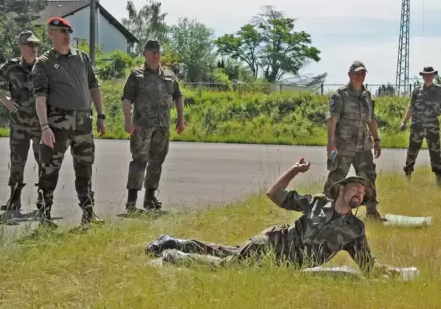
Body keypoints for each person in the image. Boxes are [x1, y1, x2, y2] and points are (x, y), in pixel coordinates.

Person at [145, 158, 399, 277]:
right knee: (227, 268)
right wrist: (294, 170)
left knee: (225, 252)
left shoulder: (355, 229)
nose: (360, 192)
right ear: (342, 189)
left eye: (363, 192)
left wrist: (394, 272)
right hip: (271, 245)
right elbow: (274, 193)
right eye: (355, 187)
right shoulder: (317, 202)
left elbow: (368, 266)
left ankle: (171, 242)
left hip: (284, 266)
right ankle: (174, 256)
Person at [31, 17, 106, 228]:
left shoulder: (81, 58)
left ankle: (88, 214)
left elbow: (94, 87)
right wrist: (44, 127)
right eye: (61, 31)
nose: (66, 35)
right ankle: (44, 216)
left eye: (68, 31)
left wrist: (101, 115)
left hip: (83, 123)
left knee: (85, 168)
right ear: (50, 34)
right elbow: (40, 98)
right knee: (49, 169)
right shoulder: (44, 63)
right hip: (57, 125)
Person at [121, 39, 185, 213]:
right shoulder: (137, 75)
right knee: (139, 160)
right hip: (141, 126)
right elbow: (127, 99)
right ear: (144, 54)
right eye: (151, 52)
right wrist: (127, 121)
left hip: (163, 125)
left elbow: (178, 97)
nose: (155, 55)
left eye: (158, 52)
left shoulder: (169, 75)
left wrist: (180, 118)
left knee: (157, 160)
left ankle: (150, 197)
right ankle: (132, 201)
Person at [0, 30, 42, 213]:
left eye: (36, 45)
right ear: (21, 46)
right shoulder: (11, 67)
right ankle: (15, 198)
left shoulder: (45, 66)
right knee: (17, 161)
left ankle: (43, 198)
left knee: (44, 161)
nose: (34, 48)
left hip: (41, 124)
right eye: (30, 45)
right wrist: (5, 100)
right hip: (19, 123)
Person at [323, 60, 385, 221]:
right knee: (336, 178)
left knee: (368, 179)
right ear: (349, 74)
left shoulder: (367, 95)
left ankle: (372, 213)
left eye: (363, 73)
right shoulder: (340, 95)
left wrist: (377, 140)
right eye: (357, 73)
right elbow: (333, 121)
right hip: (344, 145)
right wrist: (330, 144)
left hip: (363, 146)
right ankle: (324, 210)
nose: (360, 76)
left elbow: (371, 120)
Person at [399, 66, 441, 184]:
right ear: (423, 76)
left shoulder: (439, 90)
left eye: (430, 75)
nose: (428, 77)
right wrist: (404, 122)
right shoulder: (417, 91)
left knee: (435, 152)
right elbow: (411, 107)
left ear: (433, 76)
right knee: (412, 150)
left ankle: (439, 177)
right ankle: (408, 174)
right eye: (426, 75)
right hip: (417, 126)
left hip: (432, 126)